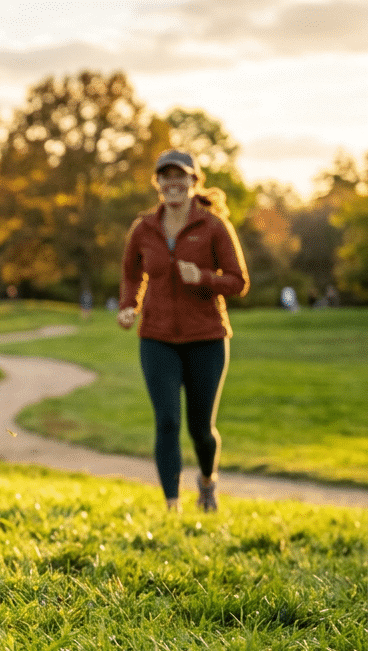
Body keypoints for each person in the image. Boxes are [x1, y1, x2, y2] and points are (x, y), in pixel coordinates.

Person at [117, 149, 249, 512]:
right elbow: (131, 273)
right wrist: (130, 305)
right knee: (167, 421)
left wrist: (203, 278)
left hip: (207, 338)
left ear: (194, 181)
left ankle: (207, 483)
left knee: (201, 429)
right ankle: (172, 507)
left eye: (180, 176)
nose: (172, 182)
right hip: (157, 338)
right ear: (157, 183)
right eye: (165, 176)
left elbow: (239, 281)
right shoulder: (143, 228)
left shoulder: (214, 226)